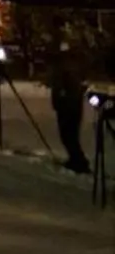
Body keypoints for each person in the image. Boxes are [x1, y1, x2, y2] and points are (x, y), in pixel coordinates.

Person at [47, 40, 90, 174]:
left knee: (68, 135)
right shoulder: (74, 65)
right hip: (73, 104)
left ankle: (78, 161)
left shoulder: (63, 67)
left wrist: (60, 99)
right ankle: (76, 159)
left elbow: (61, 86)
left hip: (67, 105)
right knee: (71, 135)